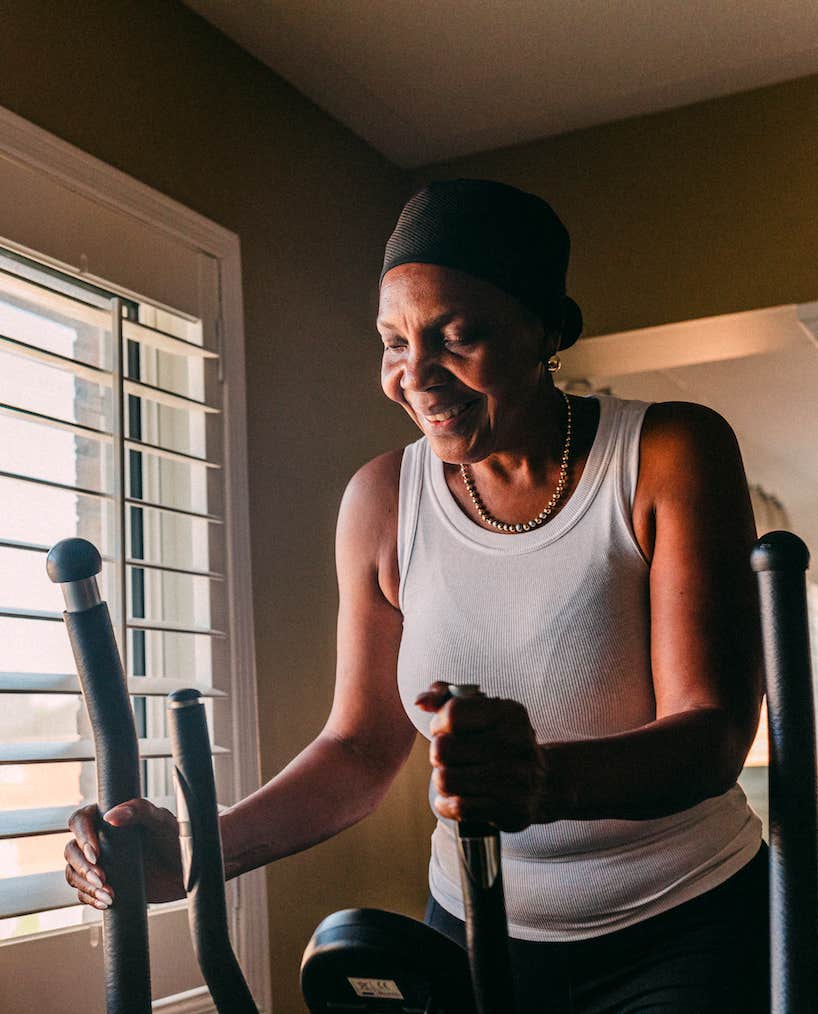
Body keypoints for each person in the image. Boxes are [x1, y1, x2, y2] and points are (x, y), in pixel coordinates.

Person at [65, 179, 768, 1012]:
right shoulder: (381, 501)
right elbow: (359, 751)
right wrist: (192, 852)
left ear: (547, 328)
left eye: (457, 335)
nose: (416, 376)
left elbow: (712, 734)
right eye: (393, 343)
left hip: (681, 927)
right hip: (470, 927)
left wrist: (537, 778)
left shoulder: (668, 451)